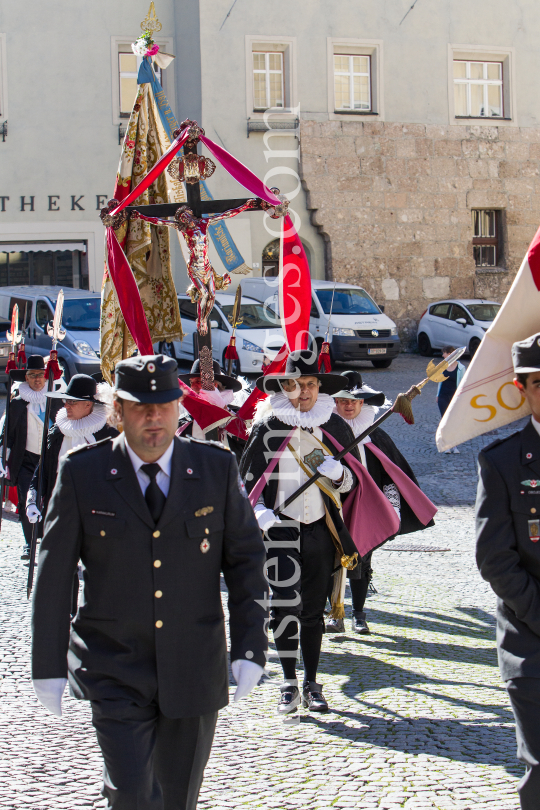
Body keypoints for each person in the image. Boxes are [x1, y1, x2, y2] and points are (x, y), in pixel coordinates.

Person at [31, 354, 268, 810]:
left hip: (193, 663)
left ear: (180, 406)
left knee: (178, 798)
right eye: (139, 406)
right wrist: (47, 663)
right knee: (132, 792)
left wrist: (250, 647)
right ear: (116, 411)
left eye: (164, 404)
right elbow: (55, 572)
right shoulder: (83, 473)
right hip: (114, 663)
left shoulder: (215, 468)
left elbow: (245, 562)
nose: (153, 417)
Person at [239, 349, 360, 715]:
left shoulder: (334, 426)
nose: (303, 392)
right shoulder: (267, 427)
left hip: (321, 529)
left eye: (310, 384)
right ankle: (288, 682)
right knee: (283, 606)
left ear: (318, 386)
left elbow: (353, 483)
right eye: (296, 385)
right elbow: (246, 485)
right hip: (280, 528)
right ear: (284, 387)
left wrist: (337, 473)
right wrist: (261, 516)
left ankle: (312, 681)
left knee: (312, 609)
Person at [476, 332, 540, 810]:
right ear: (522, 390)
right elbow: (495, 558)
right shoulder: (501, 462)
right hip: (532, 642)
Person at [328, 370, 435, 634]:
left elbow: (391, 474)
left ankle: (359, 614)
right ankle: (334, 614)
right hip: (333, 508)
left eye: (354, 401)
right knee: (330, 561)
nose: (349, 405)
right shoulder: (325, 437)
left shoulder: (375, 437)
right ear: (335, 404)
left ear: (363, 404)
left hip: (367, 509)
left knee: (362, 561)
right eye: (343, 401)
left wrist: (390, 507)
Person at [26, 374, 118, 526]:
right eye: (65, 401)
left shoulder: (110, 437)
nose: (66, 405)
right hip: (59, 507)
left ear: (88, 404)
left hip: (95, 514)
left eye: (72, 401)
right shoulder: (57, 432)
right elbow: (43, 469)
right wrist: (32, 500)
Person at [0, 356, 63, 560]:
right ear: (26, 378)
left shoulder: (55, 401)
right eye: (33, 375)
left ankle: (45, 540)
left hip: (48, 461)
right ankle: (29, 543)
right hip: (26, 460)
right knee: (27, 500)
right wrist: (3, 458)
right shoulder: (17, 404)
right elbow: (6, 436)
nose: (37, 380)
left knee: (50, 501)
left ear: (46, 378)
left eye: (41, 375)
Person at [177, 359, 247, 461]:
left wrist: (222, 410)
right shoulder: (184, 422)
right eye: (191, 382)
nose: (193, 387)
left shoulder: (237, 415)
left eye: (199, 381)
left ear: (214, 386)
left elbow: (247, 439)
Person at [436, 345, 465, 454]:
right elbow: (440, 382)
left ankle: (454, 445)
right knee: (445, 421)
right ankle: (447, 444)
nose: (443, 355)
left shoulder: (461, 368)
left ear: (450, 354)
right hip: (443, 396)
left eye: (444, 353)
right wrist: (437, 395)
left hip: (454, 398)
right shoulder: (443, 366)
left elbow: (463, 383)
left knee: (453, 421)